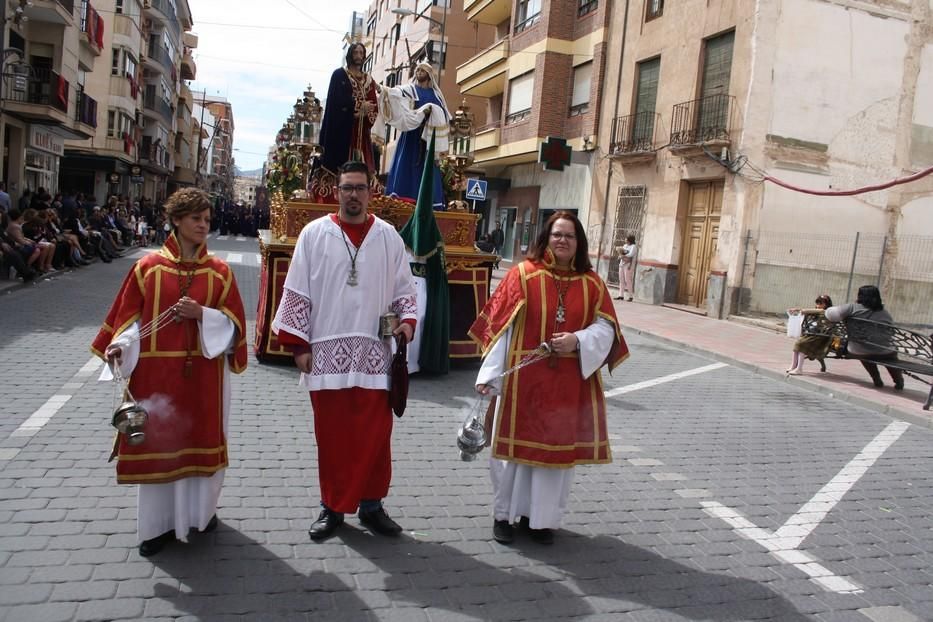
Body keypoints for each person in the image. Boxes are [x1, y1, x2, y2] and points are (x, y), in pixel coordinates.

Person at [90, 188, 248, 557]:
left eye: (207, 220)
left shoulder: (220, 272)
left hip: (206, 378)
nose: (203, 226)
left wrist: (203, 316)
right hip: (157, 377)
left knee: (201, 442)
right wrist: (120, 346)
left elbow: (236, 325)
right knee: (161, 445)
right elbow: (129, 322)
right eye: (196, 219)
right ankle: (156, 528)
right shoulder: (147, 268)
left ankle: (201, 515)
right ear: (176, 220)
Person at [272, 161, 417, 541]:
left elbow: (405, 290)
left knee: (375, 435)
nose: (353, 194)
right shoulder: (313, 234)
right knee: (333, 437)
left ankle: (371, 506)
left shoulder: (388, 237)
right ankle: (332, 507)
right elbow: (297, 289)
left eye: (360, 187)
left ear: (372, 192)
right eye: (347, 187)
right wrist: (298, 346)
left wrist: (407, 323)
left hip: (375, 355)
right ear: (336, 192)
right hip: (325, 354)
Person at [469, 211, 629, 545]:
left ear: (578, 243)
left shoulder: (592, 283)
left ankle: (539, 521)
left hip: (566, 385)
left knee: (554, 459)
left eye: (569, 236)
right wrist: (490, 375)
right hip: (521, 384)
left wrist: (578, 340)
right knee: (511, 456)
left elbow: (606, 328)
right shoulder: (522, 275)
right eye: (557, 234)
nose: (562, 241)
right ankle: (504, 516)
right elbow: (502, 329)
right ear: (546, 237)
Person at [308, 43, 379, 204]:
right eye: (356, 52)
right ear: (350, 54)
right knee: (337, 164)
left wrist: (368, 111)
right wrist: (358, 107)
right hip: (341, 132)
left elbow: (373, 103)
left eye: (361, 52)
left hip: (361, 135)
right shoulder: (339, 75)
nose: (359, 55)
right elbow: (336, 101)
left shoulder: (368, 80)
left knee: (362, 164)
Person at [381, 62, 450, 210]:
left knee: (428, 169)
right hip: (412, 135)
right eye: (417, 69)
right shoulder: (410, 89)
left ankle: (429, 203)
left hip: (429, 139)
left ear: (429, 74)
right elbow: (395, 92)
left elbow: (444, 114)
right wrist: (380, 89)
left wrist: (432, 114)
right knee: (406, 165)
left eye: (422, 70)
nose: (418, 71)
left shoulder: (436, 95)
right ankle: (403, 199)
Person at [824, 285, 905, 390]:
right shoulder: (884, 313)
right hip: (885, 351)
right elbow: (891, 331)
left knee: (864, 352)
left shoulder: (852, 308)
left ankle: (876, 378)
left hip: (859, 350)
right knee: (890, 355)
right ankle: (898, 380)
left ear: (860, 296)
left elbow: (830, 314)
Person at [786, 294, 833, 375]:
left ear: (826, 304)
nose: (818, 306)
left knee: (802, 344)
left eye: (821, 304)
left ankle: (799, 368)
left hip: (822, 337)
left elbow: (820, 311)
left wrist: (802, 310)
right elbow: (810, 311)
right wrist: (798, 310)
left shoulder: (828, 311)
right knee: (798, 344)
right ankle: (793, 366)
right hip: (814, 334)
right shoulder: (817, 311)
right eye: (817, 303)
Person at [615, 234, 637, 301]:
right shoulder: (625, 246)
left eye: (626, 239)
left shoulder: (633, 247)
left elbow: (630, 255)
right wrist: (621, 253)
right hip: (622, 264)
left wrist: (623, 254)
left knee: (628, 280)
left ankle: (630, 296)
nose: (625, 240)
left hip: (629, 265)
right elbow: (622, 252)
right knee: (621, 280)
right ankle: (621, 295)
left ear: (630, 240)